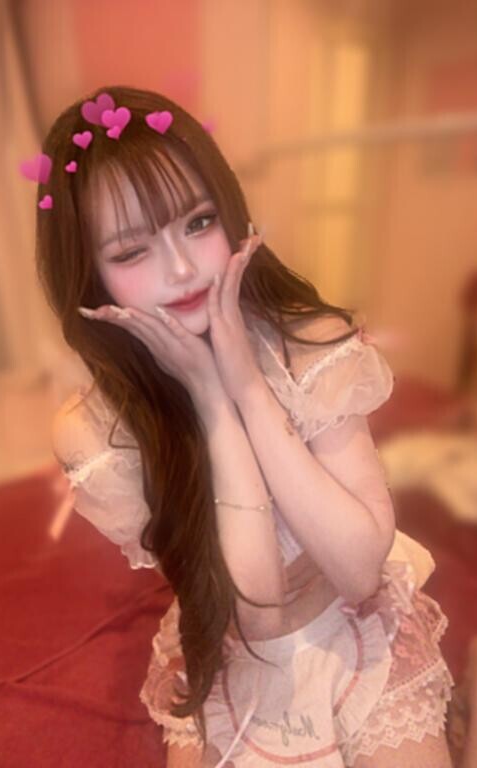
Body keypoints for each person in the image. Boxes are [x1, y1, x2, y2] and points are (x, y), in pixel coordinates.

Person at [37, 86, 455, 767]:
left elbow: (358, 572)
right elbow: (257, 609)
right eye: (132, 251)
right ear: (89, 277)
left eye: (198, 222)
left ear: (232, 213)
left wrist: (248, 388)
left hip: (353, 618)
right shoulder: (95, 435)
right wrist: (210, 398)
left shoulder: (311, 344)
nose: (181, 269)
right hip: (234, 643)